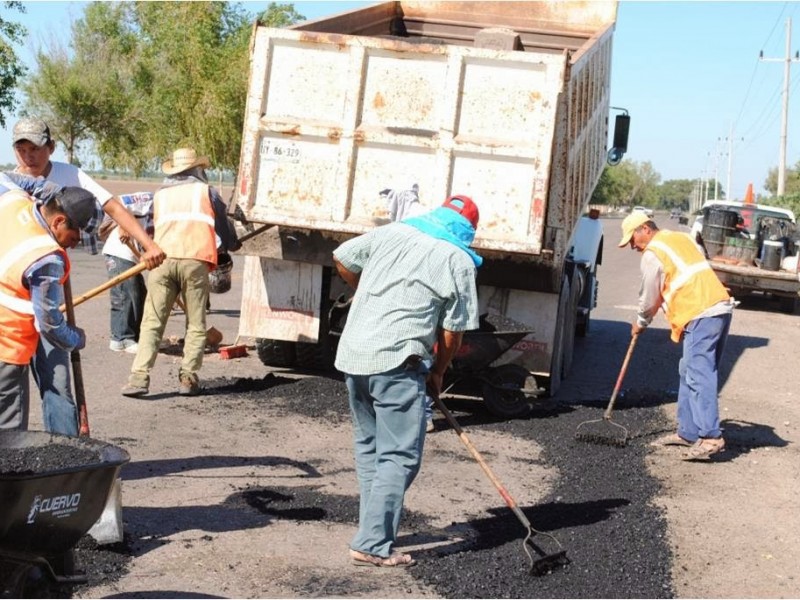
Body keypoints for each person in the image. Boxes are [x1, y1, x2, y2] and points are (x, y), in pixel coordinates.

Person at [333, 195, 481, 567]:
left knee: (371, 447)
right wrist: (438, 370)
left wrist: (364, 289)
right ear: (468, 232)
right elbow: (453, 332)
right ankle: (371, 543)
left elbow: (343, 256)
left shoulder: (393, 232)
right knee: (399, 455)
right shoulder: (457, 259)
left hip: (355, 356)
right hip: (399, 361)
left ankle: (373, 530)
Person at [12, 116, 167, 434]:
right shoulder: (10, 187)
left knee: (57, 382)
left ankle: (66, 457)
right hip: (12, 301)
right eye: (22, 149)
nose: (29, 156)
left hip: (50, 291)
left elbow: (113, 207)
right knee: (10, 396)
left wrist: (148, 244)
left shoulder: (69, 175)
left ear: (51, 148)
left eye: (36, 149)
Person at [121, 148, 239, 398]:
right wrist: (232, 244)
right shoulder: (206, 192)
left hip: (161, 261)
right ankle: (188, 378)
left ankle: (139, 378)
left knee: (152, 321)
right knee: (196, 323)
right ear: (197, 169)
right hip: (195, 261)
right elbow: (223, 227)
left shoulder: (160, 195)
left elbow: (153, 226)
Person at [618, 211, 735, 460]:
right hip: (716, 307)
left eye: (632, 239)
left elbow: (650, 294)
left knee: (699, 372)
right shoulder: (680, 238)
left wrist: (641, 321)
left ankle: (711, 437)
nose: (632, 246)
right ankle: (689, 431)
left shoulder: (653, 253)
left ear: (645, 230)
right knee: (688, 369)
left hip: (701, 311)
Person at [0, 186, 96, 431]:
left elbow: (8, 179)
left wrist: (43, 184)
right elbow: (50, 323)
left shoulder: (14, 202)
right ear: (59, 221)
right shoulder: (46, 258)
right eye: (74, 237)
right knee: (9, 429)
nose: (73, 246)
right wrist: (76, 338)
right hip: (7, 344)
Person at [98, 192, 154, 354]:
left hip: (133, 257)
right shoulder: (150, 199)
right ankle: (121, 338)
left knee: (138, 295)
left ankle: (134, 337)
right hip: (119, 251)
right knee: (124, 296)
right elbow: (119, 202)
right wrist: (123, 225)